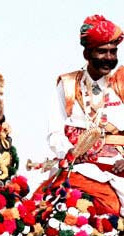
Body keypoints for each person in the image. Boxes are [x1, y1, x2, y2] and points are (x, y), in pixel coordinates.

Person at [47, 14, 124, 215]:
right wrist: (71, 154)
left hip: (118, 167)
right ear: (87, 54)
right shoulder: (68, 85)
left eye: (113, 52)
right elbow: (55, 132)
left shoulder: (122, 81)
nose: (109, 58)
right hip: (80, 167)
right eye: (102, 52)